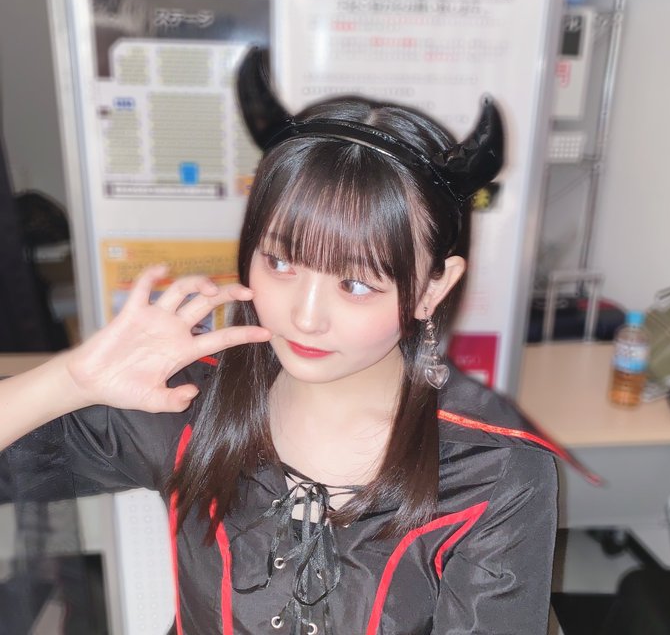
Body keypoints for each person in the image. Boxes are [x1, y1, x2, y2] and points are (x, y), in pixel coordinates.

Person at [1, 48, 564, 635]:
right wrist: (71, 380)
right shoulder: (190, 402)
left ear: (432, 288)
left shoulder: (492, 469)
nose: (306, 317)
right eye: (280, 262)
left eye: (355, 284)